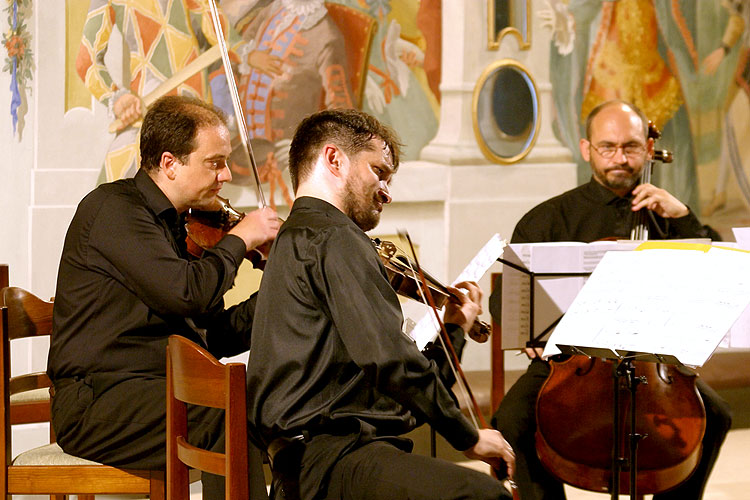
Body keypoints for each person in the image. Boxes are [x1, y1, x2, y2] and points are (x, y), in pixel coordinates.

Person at [246, 108, 515, 500]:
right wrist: (468, 436)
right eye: (379, 171)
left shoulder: (297, 236)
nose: (387, 192)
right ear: (334, 159)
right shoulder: (337, 238)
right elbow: (390, 361)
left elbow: (393, 382)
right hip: (330, 462)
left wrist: (453, 328)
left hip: (304, 466)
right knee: (483, 496)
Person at [491, 100, 731, 500]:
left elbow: (719, 275)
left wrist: (684, 216)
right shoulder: (550, 218)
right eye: (608, 147)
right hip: (573, 361)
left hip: (657, 364)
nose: (620, 158)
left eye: (631, 147)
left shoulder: (669, 217)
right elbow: (506, 298)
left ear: (648, 150)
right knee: (512, 421)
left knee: (716, 417)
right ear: (587, 149)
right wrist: (530, 334)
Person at [47, 95, 280, 500]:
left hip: (157, 385)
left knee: (269, 400)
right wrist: (241, 240)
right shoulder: (112, 210)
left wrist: (282, 290)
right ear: (170, 163)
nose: (226, 175)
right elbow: (188, 294)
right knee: (224, 410)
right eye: (214, 162)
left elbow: (212, 337)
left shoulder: (181, 228)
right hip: (98, 402)